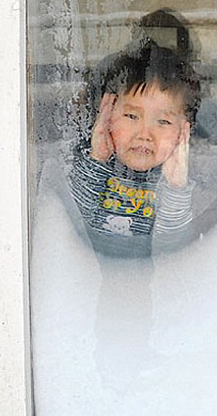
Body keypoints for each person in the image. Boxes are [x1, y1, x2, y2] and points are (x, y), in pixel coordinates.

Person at [70, 38, 201, 257]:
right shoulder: (91, 164)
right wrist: (97, 160)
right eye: (131, 116)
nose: (144, 134)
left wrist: (176, 187)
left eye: (163, 122)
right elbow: (74, 227)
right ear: (108, 114)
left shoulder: (183, 179)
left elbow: (173, 248)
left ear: (183, 131)